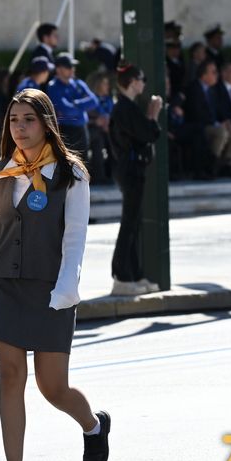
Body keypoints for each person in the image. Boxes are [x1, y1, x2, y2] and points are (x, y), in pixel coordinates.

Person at [0, 88, 110, 461]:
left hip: (51, 289)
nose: (19, 128)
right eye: (13, 120)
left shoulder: (71, 173)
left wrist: (65, 292)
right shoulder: (0, 170)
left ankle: (94, 426)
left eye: (28, 120)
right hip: (6, 287)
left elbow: (75, 240)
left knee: (52, 387)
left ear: (46, 123)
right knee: (10, 376)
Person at [109, 64, 163, 296]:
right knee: (129, 223)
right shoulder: (124, 108)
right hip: (130, 170)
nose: (144, 83)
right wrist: (153, 115)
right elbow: (148, 133)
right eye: (142, 79)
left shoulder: (127, 107)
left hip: (132, 170)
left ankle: (133, 275)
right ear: (132, 82)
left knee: (133, 222)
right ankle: (121, 276)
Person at [47, 53, 99, 161]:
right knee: (68, 162)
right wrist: (82, 106)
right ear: (58, 69)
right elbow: (66, 110)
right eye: (68, 66)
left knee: (84, 161)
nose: (72, 69)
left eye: (72, 66)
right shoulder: (53, 86)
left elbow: (94, 101)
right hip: (66, 131)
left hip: (82, 129)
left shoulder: (78, 83)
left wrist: (75, 104)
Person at [86, 71, 114, 183]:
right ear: (97, 84)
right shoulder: (90, 100)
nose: (107, 86)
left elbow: (111, 114)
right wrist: (96, 121)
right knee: (98, 140)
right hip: (93, 129)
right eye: (104, 83)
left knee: (114, 140)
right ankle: (99, 176)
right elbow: (86, 118)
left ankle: (112, 174)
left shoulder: (108, 99)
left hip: (108, 129)